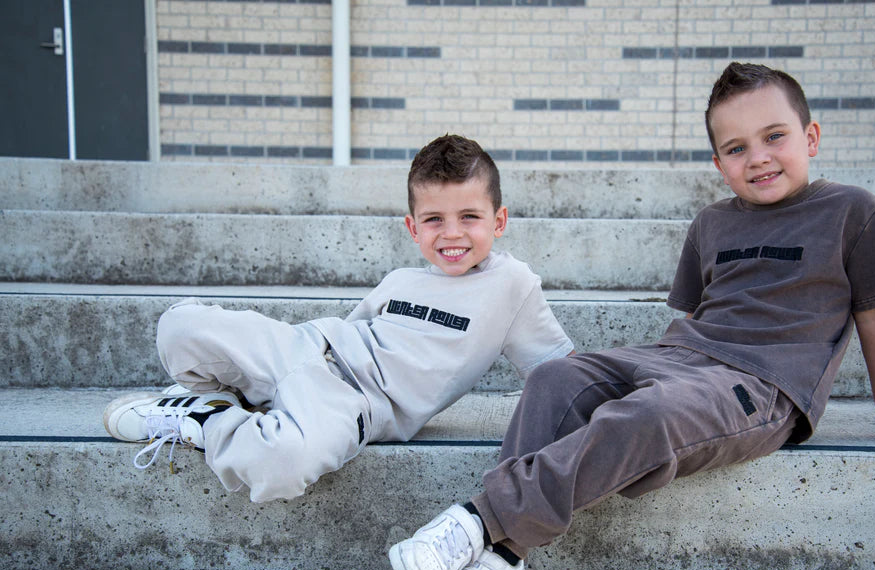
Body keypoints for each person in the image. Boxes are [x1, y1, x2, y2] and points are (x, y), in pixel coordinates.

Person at [386, 62, 875, 570]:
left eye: (774, 136)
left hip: (763, 383)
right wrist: (664, 370)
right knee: (554, 380)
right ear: (719, 161)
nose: (759, 157)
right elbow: (696, 317)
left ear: (811, 136)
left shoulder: (854, 212)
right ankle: (503, 566)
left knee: (645, 415)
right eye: (737, 147)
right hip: (679, 356)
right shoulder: (711, 224)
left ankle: (480, 528)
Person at [102, 134, 574, 502]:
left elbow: (563, 376)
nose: (451, 233)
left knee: (284, 465)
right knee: (179, 327)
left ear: (499, 220)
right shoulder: (398, 280)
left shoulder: (512, 284)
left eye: (469, 216)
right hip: (309, 346)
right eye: (434, 219)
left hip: (355, 403)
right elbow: (348, 333)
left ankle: (206, 419)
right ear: (413, 228)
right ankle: (238, 394)